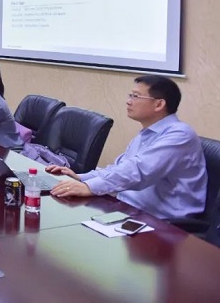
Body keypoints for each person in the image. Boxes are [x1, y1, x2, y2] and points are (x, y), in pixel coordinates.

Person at [47, 75, 207, 219]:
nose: (129, 101)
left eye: (135, 96)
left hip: (165, 223)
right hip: (128, 209)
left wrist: (89, 187)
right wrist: (82, 178)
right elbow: (120, 168)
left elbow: (138, 171)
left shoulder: (180, 135)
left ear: (159, 104)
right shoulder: (147, 133)